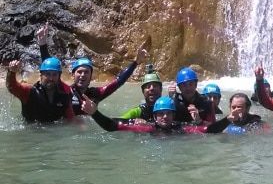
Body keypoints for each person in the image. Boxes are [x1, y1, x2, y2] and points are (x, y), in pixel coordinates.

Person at [36, 23, 147, 115]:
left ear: (91, 76)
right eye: (79, 72)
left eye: (86, 72)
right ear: (73, 75)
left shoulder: (96, 94)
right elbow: (50, 70)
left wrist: (136, 63)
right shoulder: (65, 91)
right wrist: (42, 45)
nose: (83, 75)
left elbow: (118, 82)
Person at [82, 95, 223, 134]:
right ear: (154, 117)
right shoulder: (147, 128)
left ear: (174, 116)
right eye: (161, 114)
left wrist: (228, 119)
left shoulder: (181, 128)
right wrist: (94, 113)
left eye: (168, 113)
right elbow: (112, 126)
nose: (165, 117)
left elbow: (210, 130)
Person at [5, 57, 74, 123]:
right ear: (41, 75)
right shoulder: (29, 91)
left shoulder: (64, 96)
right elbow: (12, 87)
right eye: (47, 74)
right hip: (31, 131)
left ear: (59, 77)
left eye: (54, 74)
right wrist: (11, 72)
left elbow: (70, 119)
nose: (51, 78)